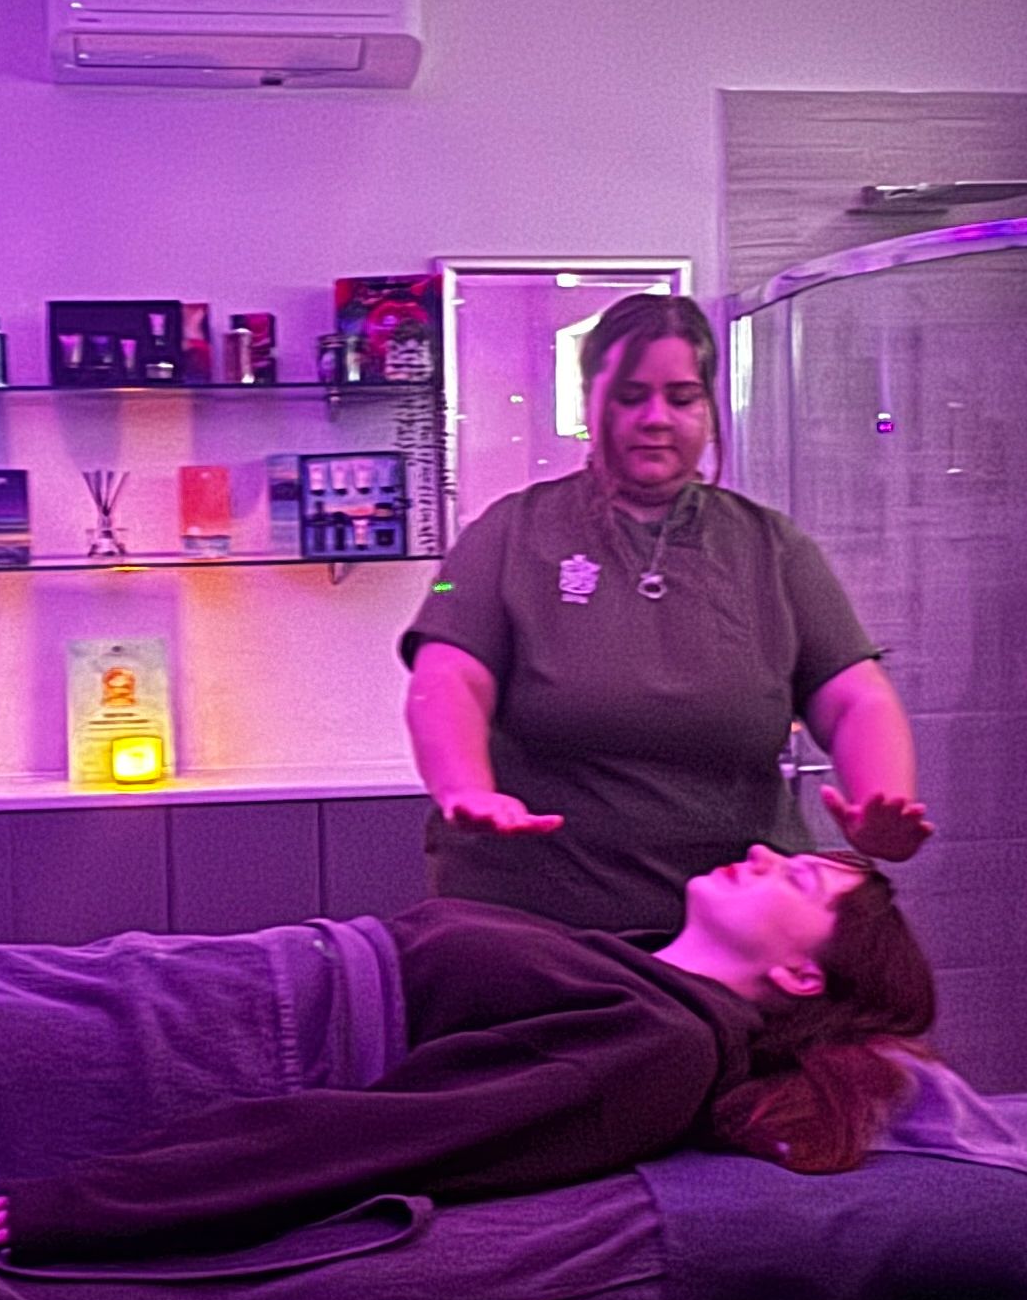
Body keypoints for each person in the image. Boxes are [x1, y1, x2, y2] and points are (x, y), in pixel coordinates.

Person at [0, 844, 934, 1262]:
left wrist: (90, 1206)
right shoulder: (640, 972)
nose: (765, 852)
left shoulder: (665, 1046)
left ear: (804, 976)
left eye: (797, 876)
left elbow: (391, 1137)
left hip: (208, 1036)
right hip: (203, 985)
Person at [399, 288, 931, 941]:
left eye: (681, 398)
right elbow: (447, 678)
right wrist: (465, 789)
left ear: (710, 409)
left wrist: (882, 799)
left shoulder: (773, 548)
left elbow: (856, 700)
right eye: (630, 396)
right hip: (537, 935)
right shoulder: (510, 532)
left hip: (738, 942)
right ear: (590, 403)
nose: (656, 418)